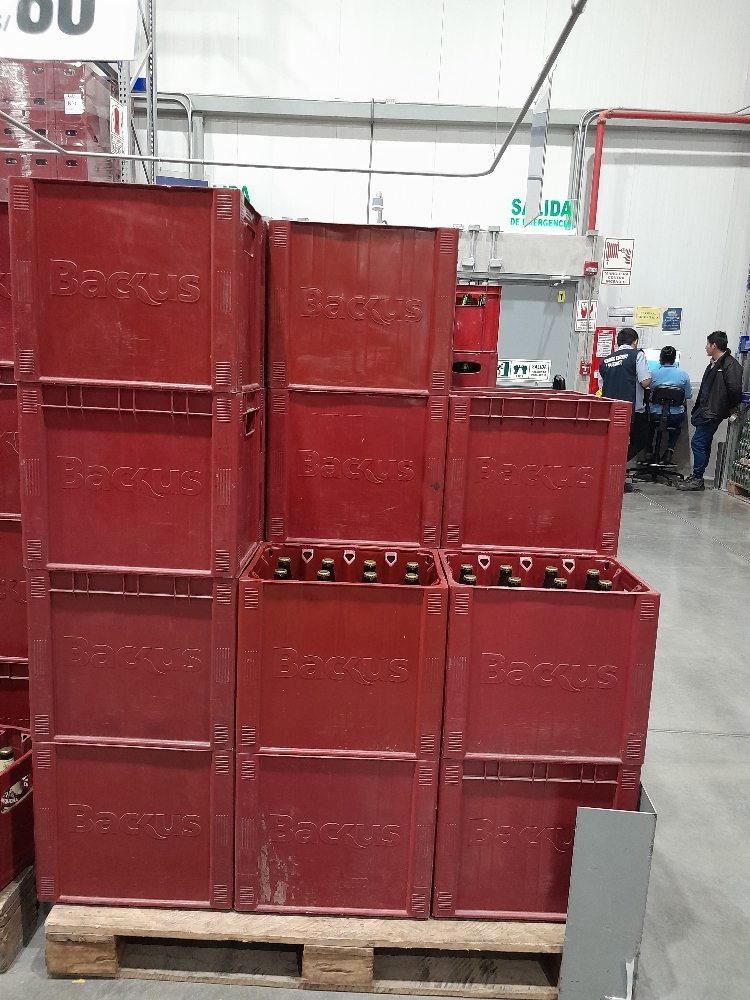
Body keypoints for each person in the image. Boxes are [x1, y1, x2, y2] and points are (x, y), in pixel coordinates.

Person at [678, 331, 742, 492]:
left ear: (714, 345)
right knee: (703, 443)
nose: (706, 347)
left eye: (707, 344)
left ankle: (697, 478)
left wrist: (729, 406)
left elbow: (735, 389)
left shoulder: (729, 364)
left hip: (714, 410)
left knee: (698, 442)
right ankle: (697, 477)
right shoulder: (715, 364)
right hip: (707, 409)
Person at [597, 328, 652, 492]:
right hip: (632, 409)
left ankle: (610, 476)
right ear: (635, 342)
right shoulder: (637, 355)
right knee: (640, 440)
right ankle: (615, 470)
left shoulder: (605, 361)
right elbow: (645, 381)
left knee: (614, 444)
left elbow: (602, 385)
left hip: (610, 409)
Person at [647, 345, 692, 464]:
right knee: (677, 428)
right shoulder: (683, 375)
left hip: (655, 415)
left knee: (648, 426)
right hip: (675, 416)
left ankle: (649, 450)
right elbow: (688, 395)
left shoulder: (652, 374)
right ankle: (669, 451)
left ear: (660, 358)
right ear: (674, 359)